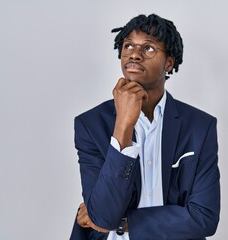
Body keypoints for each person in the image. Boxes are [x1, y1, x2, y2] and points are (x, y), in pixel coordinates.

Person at [70, 14, 220, 240]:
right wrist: (123, 124)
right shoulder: (90, 125)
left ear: (168, 62)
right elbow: (102, 216)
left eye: (148, 48)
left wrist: (124, 223)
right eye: (128, 45)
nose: (135, 54)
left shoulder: (199, 126)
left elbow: (204, 218)